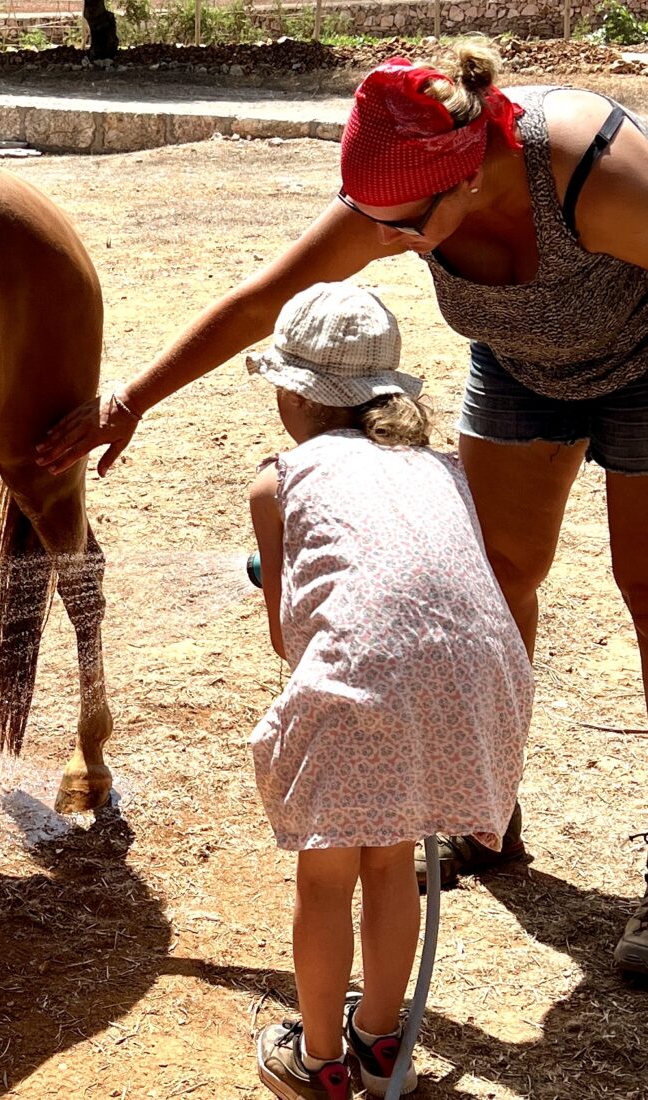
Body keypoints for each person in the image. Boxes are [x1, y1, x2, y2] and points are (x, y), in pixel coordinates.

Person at [35, 39, 648, 975]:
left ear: (472, 175)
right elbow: (260, 304)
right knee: (495, 577)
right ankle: (483, 811)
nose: (375, 236)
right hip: (522, 367)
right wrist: (129, 402)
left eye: (395, 224)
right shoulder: (403, 181)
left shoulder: (597, 176)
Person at [242, 280, 532, 1099]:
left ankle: (319, 1059)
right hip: (477, 694)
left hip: (365, 688)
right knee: (393, 864)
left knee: (325, 878)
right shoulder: (439, 470)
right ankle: (376, 1040)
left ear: (293, 392)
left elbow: (286, 639)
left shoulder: (280, 481)